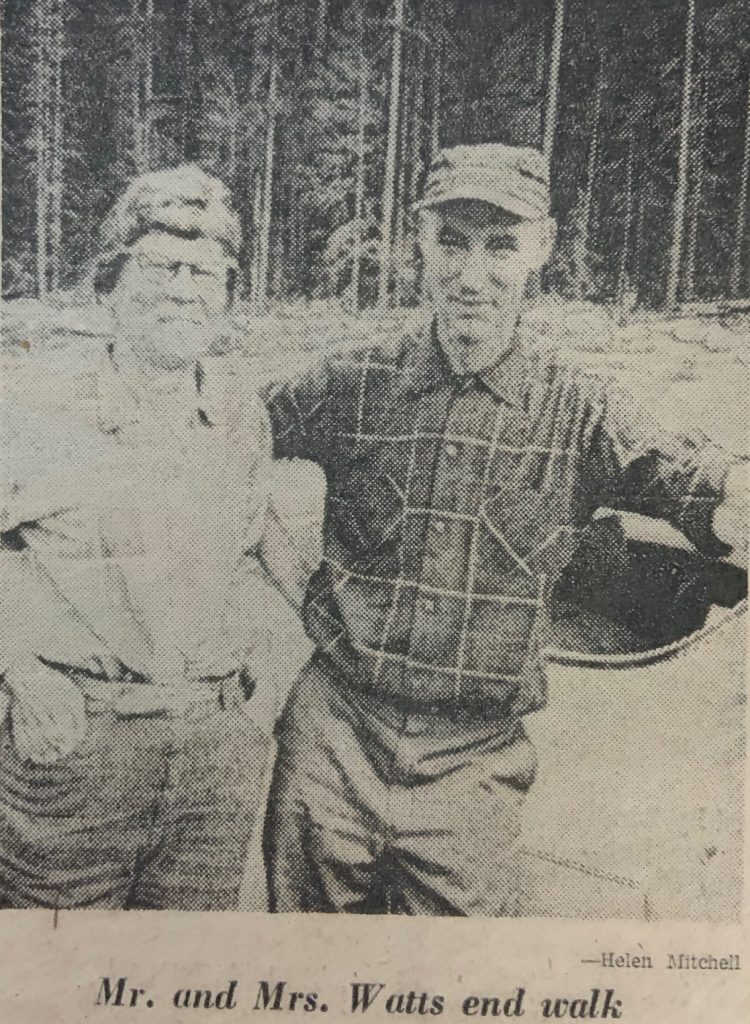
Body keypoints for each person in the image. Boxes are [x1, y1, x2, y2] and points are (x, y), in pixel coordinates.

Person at [261, 143, 748, 916]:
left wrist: (734, 503)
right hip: (331, 742)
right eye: (450, 242)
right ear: (418, 240)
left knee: (467, 984)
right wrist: (287, 576)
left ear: (541, 249)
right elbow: (213, 446)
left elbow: (703, 487)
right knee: (304, 975)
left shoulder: (582, 411)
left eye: (500, 247)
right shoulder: (349, 385)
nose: (470, 274)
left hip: (475, 766)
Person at [0, 164, 305, 910]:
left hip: (214, 762)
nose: (182, 289)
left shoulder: (240, 415)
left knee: (175, 987)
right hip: (76, 755)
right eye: (160, 266)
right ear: (109, 285)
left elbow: (253, 547)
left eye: (206, 273)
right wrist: (20, 673)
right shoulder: (34, 409)